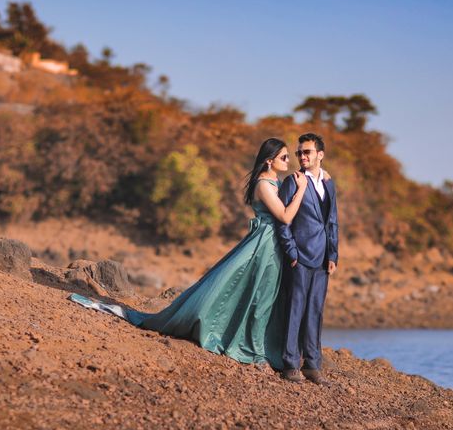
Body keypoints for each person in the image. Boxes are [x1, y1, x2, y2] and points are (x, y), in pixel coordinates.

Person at [69, 138, 308, 369]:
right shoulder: (263, 185)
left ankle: (260, 347)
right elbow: (285, 216)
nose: (289, 161)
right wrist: (301, 190)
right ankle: (251, 350)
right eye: (284, 157)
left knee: (257, 295)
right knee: (251, 294)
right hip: (264, 243)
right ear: (269, 160)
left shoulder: (276, 182)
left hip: (273, 243)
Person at [275, 132, 339, 385]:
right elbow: (282, 221)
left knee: (315, 311)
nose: (301, 156)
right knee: (295, 310)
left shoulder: (329, 183)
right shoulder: (293, 181)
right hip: (299, 257)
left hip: (323, 259)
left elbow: (332, 220)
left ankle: (313, 365)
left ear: (319, 155)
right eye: (299, 152)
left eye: (307, 152)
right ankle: (290, 364)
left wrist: (333, 253)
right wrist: (291, 252)